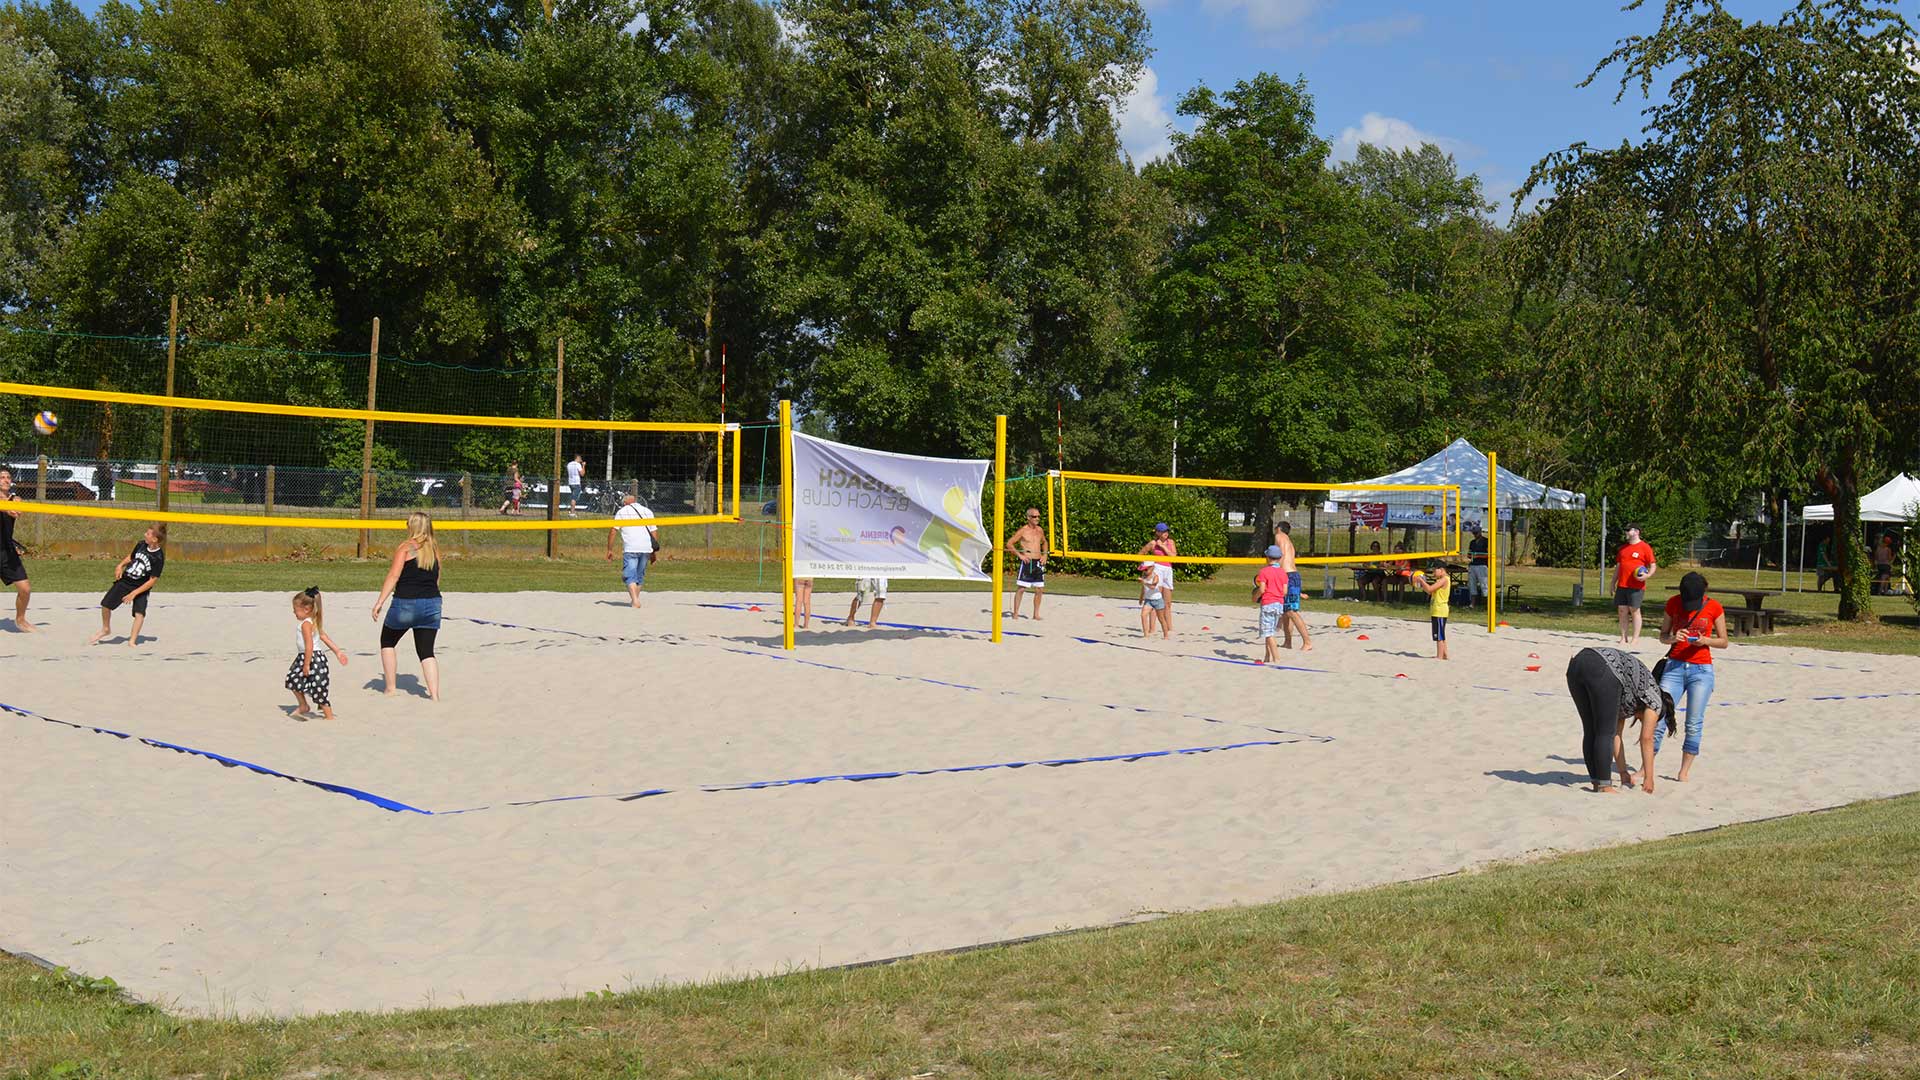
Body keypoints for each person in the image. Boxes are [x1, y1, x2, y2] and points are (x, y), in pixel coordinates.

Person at [1565, 646, 1675, 794]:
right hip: (1603, 667)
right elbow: (1647, 739)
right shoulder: (1655, 699)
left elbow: (1617, 735)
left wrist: (1623, 773)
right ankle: (1604, 785)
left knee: (1592, 730)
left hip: (1578, 663)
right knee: (1604, 732)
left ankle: (1597, 781)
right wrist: (1649, 778)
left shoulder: (1629, 696)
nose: (1643, 722)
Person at [1656, 570, 1728, 783]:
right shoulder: (1673, 603)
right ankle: (1645, 767)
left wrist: (1705, 640)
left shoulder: (1714, 607)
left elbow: (1724, 641)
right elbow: (1662, 636)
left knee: (1694, 722)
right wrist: (1672, 638)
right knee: (1659, 716)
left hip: (1701, 670)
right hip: (1674, 666)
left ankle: (1684, 771)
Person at [371, 511, 443, 702]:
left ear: (412, 526)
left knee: (387, 641)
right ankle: (434, 695)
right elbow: (437, 579)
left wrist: (380, 602)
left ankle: (390, 688)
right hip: (433, 603)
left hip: (406, 602)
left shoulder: (405, 547)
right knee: (426, 651)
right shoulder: (434, 549)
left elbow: (393, 576)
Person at [90, 523, 166, 647]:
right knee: (105, 605)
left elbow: (152, 580)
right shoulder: (141, 544)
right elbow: (131, 557)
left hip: (141, 587)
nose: (144, 535)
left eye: (147, 534)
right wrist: (120, 565)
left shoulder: (158, 557)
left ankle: (132, 641)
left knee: (139, 614)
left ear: (154, 539)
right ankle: (106, 629)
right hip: (126, 581)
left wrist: (134, 593)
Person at [286, 587, 348, 720]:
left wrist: (307, 664)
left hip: (311, 658)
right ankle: (303, 706)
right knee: (292, 679)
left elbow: (310, 645)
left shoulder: (306, 625)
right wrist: (337, 652)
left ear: (306, 609)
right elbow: (324, 637)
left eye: (295, 610)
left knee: (318, 688)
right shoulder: (312, 622)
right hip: (310, 658)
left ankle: (329, 716)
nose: (294, 612)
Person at [606, 494, 658, 609]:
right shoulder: (647, 511)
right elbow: (654, 533)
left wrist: (609, 549)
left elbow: (613, 531)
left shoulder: (622, 512)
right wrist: (653, 552)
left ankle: (635, 600)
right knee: (639, 576)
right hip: (646, 548)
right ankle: (635, 600)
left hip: (631, 547)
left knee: (630, 576)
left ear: (625, 503)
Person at [0, 468, 33, 632]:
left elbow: (16, 510)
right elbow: (8, 510)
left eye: (8, 477)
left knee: (25, 589)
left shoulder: (14, 498)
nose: (5, 480)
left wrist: (13, 507)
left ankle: (20, 620)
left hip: (6, 551)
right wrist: (7, 508)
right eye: (2, 477)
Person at [1613, 524, 1657, 644]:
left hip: (1636, 586)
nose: (1626, 532)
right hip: (1622, 585)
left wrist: (1647, 575)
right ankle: (1623, 637)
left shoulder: (1645, 547)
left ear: (1636, 532)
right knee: (1622, 610)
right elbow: (1618, 567)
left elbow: (1653, 565)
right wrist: (1613, 583)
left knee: (1634, 610)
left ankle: (1635, 638)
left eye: (1628, 530)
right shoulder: (1623, 548)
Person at [1271, 521, 1311, 650]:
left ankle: (1307, 642)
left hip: (1288, 575)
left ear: (1279, 529)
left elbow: (1280, 554)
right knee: (1285, 612)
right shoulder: (1288, 540)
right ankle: (1288, 642)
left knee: (1291, 612)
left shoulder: (1279, 536)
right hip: (1290, 575)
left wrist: (1275, 571)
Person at [1006, 506, 1047, 620]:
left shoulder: (1039, 530)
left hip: (1038, 562)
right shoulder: (1023, 531)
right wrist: (1020, 556)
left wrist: (1044, 555)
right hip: (1027, 561)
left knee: (1039, 589)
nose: (1037, 518)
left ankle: (1036, 614)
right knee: (1022, 588)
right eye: (1034, 516)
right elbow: (1009, 544)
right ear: (1028, 518)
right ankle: (1015, 613)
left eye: (1038, 516)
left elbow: (1045, 542)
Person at [1138, 523, 1177, 632]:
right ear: (1157, 532)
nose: (1166, 534)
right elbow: (1141, 553)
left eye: (1167, 531)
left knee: (1168, 602)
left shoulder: (1170, 542)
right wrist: (1146, 565)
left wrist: (1163, 546)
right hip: (1158, 569)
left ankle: (1169, 629)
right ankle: (1152, 629)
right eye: (1163, 532)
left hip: (1168, 570)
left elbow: (1173, 557)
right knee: (1155, 599)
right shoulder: (1153, 543)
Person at [1252, 545, 1288, 663]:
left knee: (1268, 634)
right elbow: (1284, 591)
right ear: (1279, 558)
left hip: (1268, 603)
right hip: (1279, 604)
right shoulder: (1283, 573)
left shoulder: (1264, 571)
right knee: (1270, 631)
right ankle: (1267, 656)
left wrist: (1255, 597)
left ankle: (1277, 658)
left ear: (1267, 557)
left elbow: (1262, 590)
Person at [1411, 560, 1451, 660]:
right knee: (1441, 634)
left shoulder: (1444, 580)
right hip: (1437, 610)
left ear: (1441, 570)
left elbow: (1429, 589)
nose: (1433, 573)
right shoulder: (1441, 580)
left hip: (1440, 611)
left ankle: (1440, 656)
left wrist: (1421, 581)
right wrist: (1421, 583)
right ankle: (1444, 654)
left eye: (1434, 571)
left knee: (1439, 636)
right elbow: (1429, 590)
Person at [1138, 561, 1168, 638]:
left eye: (1146, 569)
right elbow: (1143, 589)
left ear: (1152, 568)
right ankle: (1146, 635)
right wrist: (1141, 598)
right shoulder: (1144, 576)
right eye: (1143, 570)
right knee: (1143, 615)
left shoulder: (1155, 576)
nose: (1144, 571)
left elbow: (1152, 587)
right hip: (1148, 600)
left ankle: (1166, 635)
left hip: (1157, 600)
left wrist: (1144, 582)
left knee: (1161, 619)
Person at [1467, 524, 1490, 607]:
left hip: (1482, 565)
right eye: (1474, 533)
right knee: (1472, 584)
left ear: (1480, 532)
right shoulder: (1472, 542)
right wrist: (1471, 556)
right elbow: (1468, 554)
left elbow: (1488, 555)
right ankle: (1472, 603)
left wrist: (1478, 555)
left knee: (1484, 584)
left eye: (1476, 533)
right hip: (1473, 565)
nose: (1475, 535)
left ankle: (1486, 604)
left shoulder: (1486, 541)